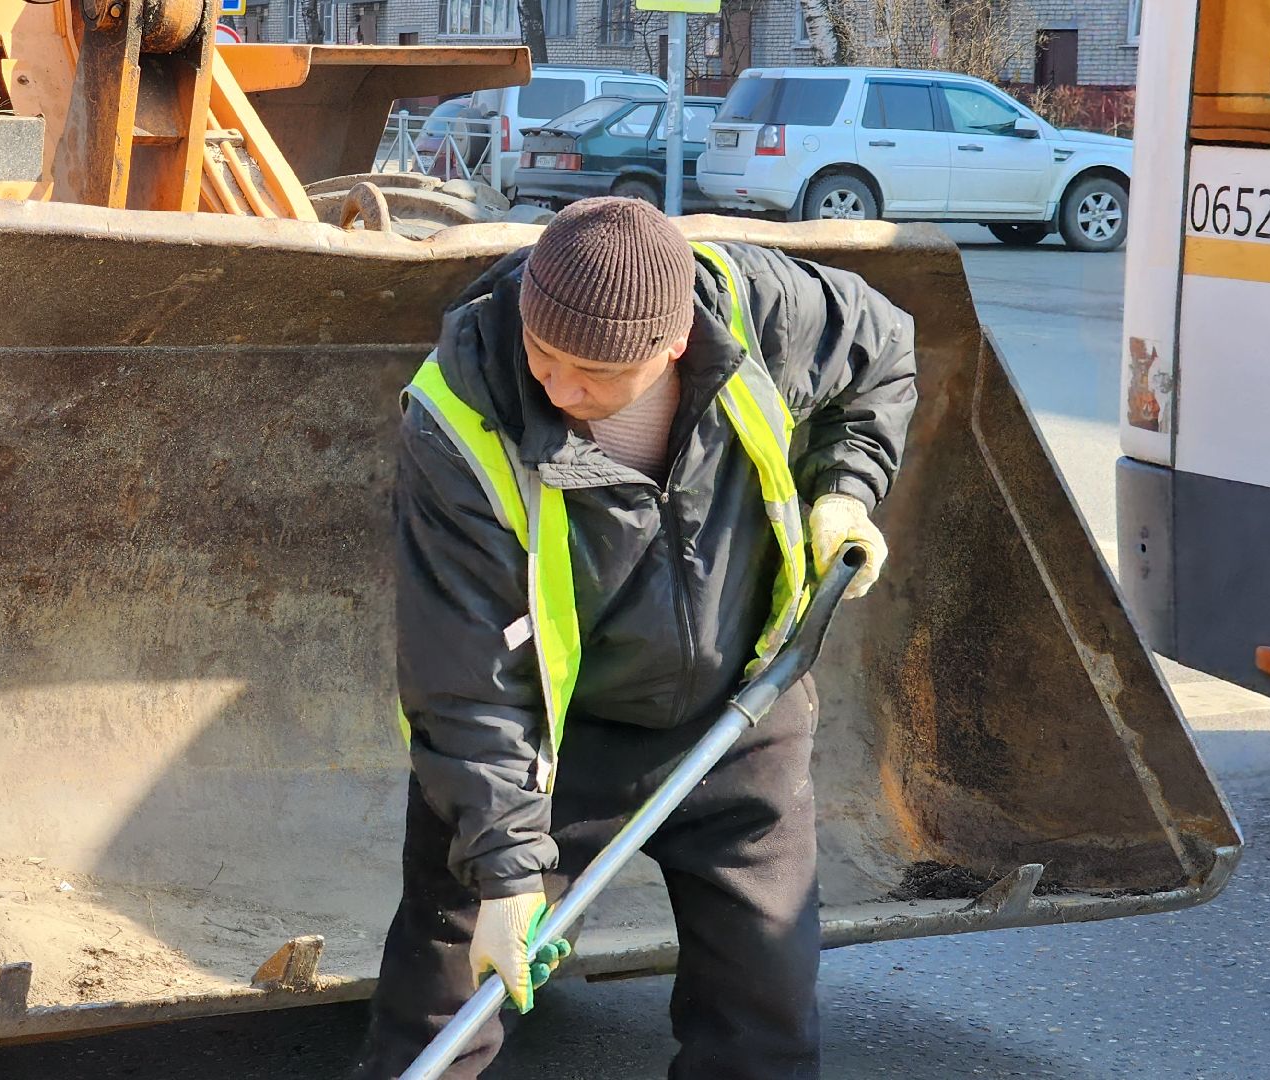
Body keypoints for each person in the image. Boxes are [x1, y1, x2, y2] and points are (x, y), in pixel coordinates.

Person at [354, 197, 918, 1080]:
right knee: (443, 1019)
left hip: (743, 715)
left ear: (673, 346)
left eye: (594, 372)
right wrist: (505, 873)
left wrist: (845, 486)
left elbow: (882, 351)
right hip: (555, 742)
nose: (560, 388)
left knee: (761, 1029)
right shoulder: (461, 412)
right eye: (543, 351)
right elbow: (458, 671)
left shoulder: (758, 313)